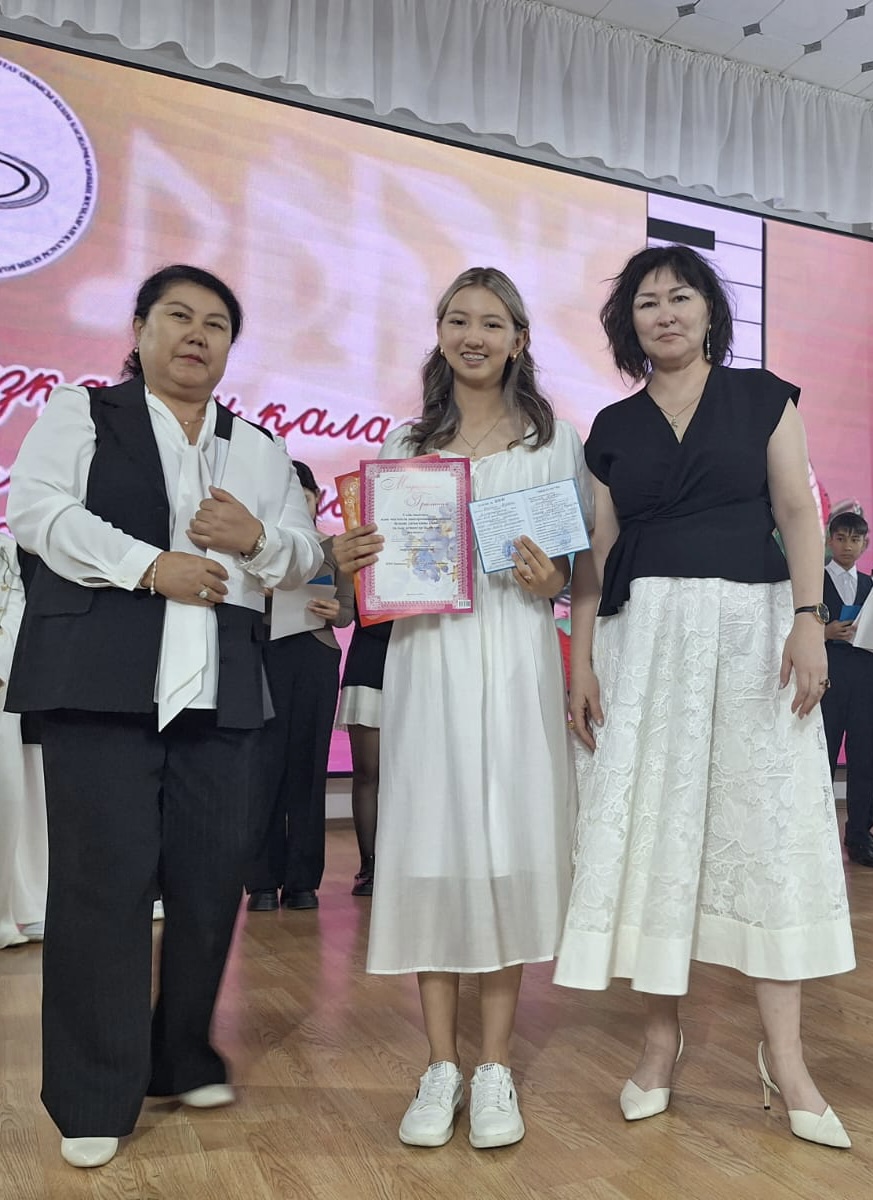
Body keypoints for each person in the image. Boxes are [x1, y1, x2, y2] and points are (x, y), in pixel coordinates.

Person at [5, 264, 322, 1169]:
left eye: (216, 324)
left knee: (211, 882)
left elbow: (301, 554)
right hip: (99, 683)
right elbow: (36, 511)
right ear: (140, 330)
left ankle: (182, 1055)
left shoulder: (257, 446)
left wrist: (258, 541)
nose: (197, 334)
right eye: (178, 316)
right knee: (101, 888)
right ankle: (91, 1095)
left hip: (223, 691)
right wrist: (152, 567)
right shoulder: (82, 412)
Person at [554, 244, 855, 1148]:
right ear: (628, 324)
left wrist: (807, 619)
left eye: (680, 297)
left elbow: (797, 513)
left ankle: (785, 1059)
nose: (664, 313)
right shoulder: (610, 425)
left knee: (765, 832)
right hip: (643, 642)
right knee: (654, 831)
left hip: (753, 633)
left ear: (708, 311)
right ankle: (658, 1043)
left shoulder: (762, 397)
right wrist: (580, 662)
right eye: (646, 302)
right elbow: (594, 556)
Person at [334, 267, 592, 1150]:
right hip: (428, 663)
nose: (472, 336)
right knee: (432, 846)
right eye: (457, 320)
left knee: (503, 848)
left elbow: (571, 574)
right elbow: (378, 571)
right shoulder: (406, 444)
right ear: (439, 333)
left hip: (515, 661)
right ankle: (438, 1063)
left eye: (490, 322)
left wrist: (549, 580)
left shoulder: (554, 443)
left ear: (519, 339)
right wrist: (355, 558)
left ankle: (494, 1068)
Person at [246, 460, 354, 912]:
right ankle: (261, 882)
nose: (298, 502)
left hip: (315, 655)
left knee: (309, 766)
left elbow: (347, 611)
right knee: (263, 767)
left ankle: (303, 881)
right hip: (265, 653)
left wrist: (334, 611)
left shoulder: (335, 547)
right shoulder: (255, 547)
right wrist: (260, 595)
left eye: (304, 495)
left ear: (315, 498)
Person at [0, 534, 48, 948]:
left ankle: (17, 906)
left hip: (5, 684)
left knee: (12, 788)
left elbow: (15, 606)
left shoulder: (7, 548)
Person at [820, 510, 873, 865]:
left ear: (865, 544)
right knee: (821, 754)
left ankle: (858, 836)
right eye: (840, 538)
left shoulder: (869, 585)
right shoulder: (814, 580)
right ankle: (817, 834)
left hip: (865, 676)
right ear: (829, 540)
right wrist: (824, 632)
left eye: (855, 540)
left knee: (864, 757)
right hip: (827, 675)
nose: (847, 546)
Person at [335, 605, 392, 896]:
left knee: (416, 772)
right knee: (368, 771)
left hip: (418, 663)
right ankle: (369, 865)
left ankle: (406, 859)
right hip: (369, 663)